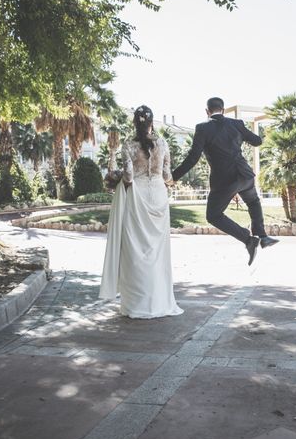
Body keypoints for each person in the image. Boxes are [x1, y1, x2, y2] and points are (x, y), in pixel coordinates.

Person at [172, 97, 278, 265]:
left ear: (207, 111)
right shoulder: (236, 124)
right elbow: (257, 141)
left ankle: (249, 240)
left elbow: (193, 158)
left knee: (213, 215)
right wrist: (240, 135)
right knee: (253, 200)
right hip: (245, 175)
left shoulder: (203, 128)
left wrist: (174, 177)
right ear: (223, 109)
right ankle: (263, 236)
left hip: (225, 180)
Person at [99, 105, 183, 319]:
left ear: (135, 123)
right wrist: (170, 182)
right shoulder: (163, 143)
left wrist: (116, 179)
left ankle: (137, 304)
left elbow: (128, 176)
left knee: (135, 250)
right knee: (158, 252)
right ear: (151, 122)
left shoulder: (129, 145)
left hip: (138, 197)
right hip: (158, 194)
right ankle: (159, 301)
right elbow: (166, 175)